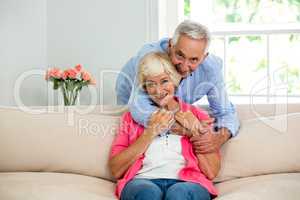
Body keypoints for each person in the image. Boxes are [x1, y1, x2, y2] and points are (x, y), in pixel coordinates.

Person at [116, 20, 239, 154]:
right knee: (132, 132)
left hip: (173, 106)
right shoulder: (149, 56)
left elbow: (226, 112)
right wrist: (188, 129)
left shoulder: (212, 68)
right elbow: (139, 107)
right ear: (170, 46)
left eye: (193, 60)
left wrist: (218, 139)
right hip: (128, 94)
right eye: (180, 55)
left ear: (204, 58)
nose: (184, 66)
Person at [109, 52, 220, 200]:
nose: (158, 90)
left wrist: (195, 131)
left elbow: (211, 171)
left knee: (178, 194)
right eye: (151, 84)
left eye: (164, 81)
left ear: (174, 80)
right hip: (142, 180)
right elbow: (116, 169)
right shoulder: (131, 118)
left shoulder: (197, 115)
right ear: (145, 87)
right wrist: (150, 133)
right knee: (147, 193)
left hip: (188, 182)